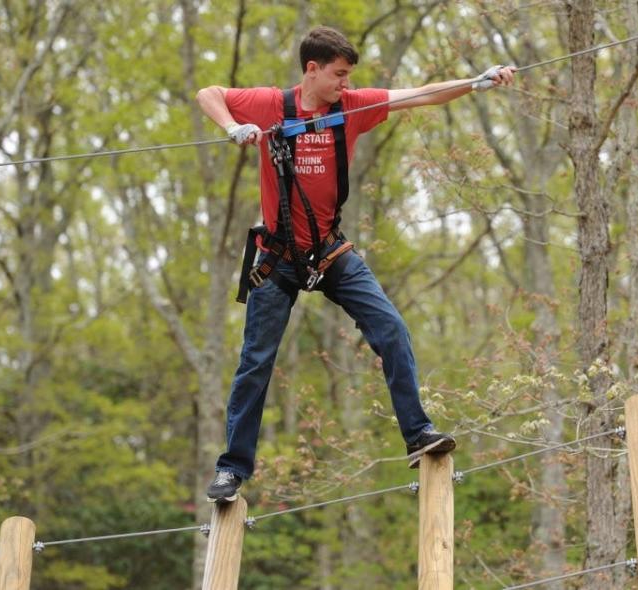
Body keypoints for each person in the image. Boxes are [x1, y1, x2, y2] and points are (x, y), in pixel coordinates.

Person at [196, 25, 515, 503]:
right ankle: (232, 470)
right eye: (338, 75)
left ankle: (418, 434)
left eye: (348, 76)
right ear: (312, 69)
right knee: (255, 362)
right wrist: (231, 126)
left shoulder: (352, 107)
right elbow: (209, 92)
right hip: (277, 259)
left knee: (390, 328)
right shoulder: (268, 105)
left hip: (329, 251)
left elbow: (419, 95)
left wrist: (475, 82)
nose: (345, 84)